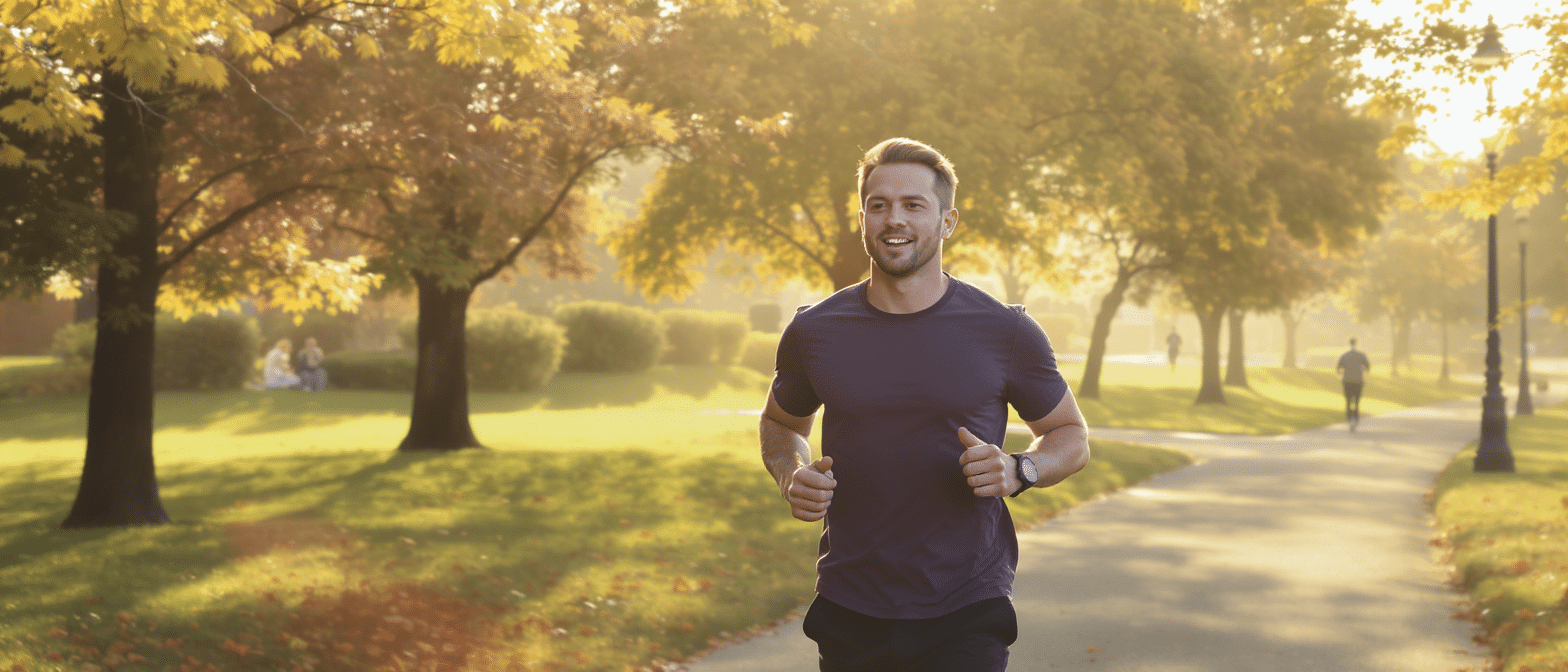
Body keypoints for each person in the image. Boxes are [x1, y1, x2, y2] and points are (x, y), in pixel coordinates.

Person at [760, 138, 1091, 671]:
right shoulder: (815, 331)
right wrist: (790, 473)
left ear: (947, 221)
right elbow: (781, 423)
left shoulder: (1005, 331)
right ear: (863, 218)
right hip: (851, 604)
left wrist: (1020, 468)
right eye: (879, 205)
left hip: (965, 608)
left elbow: (1071, 436)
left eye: (914, 205)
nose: (895, 219)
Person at [1336, 337, 1371, 431]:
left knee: (1348, 400)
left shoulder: (1345, 355)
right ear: (1356, 343)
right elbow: (1367, 367)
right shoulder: (1361, 355)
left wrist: (1343, 372)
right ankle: (1355, 417)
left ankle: (1349, 417)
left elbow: (1339, 368)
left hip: (1347, 381)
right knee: (1356, 400)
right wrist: (1362, 371)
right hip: (1358, 381)